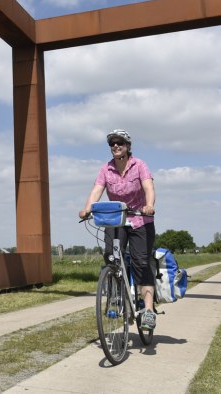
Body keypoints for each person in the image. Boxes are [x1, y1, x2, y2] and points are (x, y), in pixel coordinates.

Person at [79, 129, 157, 330]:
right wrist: (87, 209)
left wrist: (149, 205)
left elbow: (148, 187)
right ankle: (117, 298)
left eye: (119, 142)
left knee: (141, 262)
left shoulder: (139, 165)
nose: (115, 146)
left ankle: (148, 310)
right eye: (112, 144)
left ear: (128, 146)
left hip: (140, 220)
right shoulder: (106, 169)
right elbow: (97, 190)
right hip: (115, 220)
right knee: (111, 257)